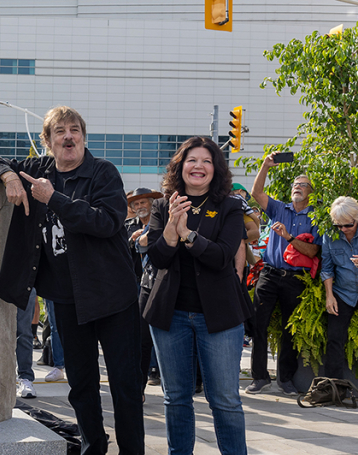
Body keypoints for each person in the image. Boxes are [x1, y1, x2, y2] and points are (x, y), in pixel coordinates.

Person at [0, 106, 143, 455]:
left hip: (113, 295)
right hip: (66, 298)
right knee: (80, 386)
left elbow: (106, 222)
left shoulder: (103, 173)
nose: (68, 137)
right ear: (48, 142)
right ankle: (92, 448)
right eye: (59, 132)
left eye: (74, 130)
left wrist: (54, 198)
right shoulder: (36, 169)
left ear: (83, 137)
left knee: (125, 385)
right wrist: (9, 177)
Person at [145, 136, 252, 454]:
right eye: (192, 160)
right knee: (175, 398)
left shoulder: (231, 207)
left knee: (225, 400)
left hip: (219, 317)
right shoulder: (163, 205)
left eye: (207, 161)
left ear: (215, 169)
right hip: (170, 315)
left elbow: (221, 257)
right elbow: (157, 258)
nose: (199, 166)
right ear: (181, 165)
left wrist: (188, 235)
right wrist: (169, 231)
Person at [248, 154, 321, 396]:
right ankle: (259, 377)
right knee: (259, 324)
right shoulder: (280, 208)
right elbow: (256, 193)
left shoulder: (315, 217)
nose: (296, 188)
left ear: (310, 191)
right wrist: (265, 166)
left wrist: (289, 237)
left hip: (295, 279)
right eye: (294, 185)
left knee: (290, 329)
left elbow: (312, 251)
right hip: (269, 274)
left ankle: (286, 379)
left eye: (302, 185)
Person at [320, 196, 358, 407]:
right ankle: (335, 390)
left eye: (348, 225)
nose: (343, 229)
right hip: (343, 291)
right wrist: (329, 295)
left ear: (357, 218)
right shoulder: (330, 234)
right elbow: (327, 267)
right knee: (334, 339)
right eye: (338, 225)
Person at [126, 188, 164, 394]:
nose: (140, 207)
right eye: (136, 204)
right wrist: (132, 241)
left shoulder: (162, 224)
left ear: (152, 204)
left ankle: (158, 373)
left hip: (161, 284)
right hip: (137, 288)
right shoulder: (127, 227)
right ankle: (138, 388)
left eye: (144, 203)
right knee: (140, 338)